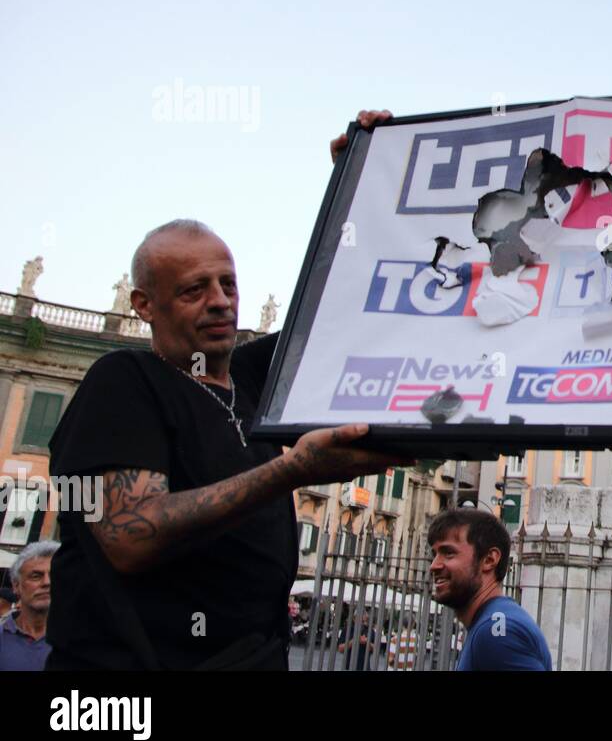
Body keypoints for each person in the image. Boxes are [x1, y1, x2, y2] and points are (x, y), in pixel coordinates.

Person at [46, 219, 412, 670]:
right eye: (193, 290)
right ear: (144, 304)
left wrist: (359, 190)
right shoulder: (124, 379)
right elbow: (130, 536)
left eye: (228, 285)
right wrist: (294, 470)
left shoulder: (253, 379)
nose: (220, 302)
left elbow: (345, 304)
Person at [427, 508, 551, 671]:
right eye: (434, 554)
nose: (434, 566)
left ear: (489, 559)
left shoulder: (496, 632)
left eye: (449, 553)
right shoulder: (491, 623)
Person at [0, 540, 57, 671]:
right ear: (16, 586)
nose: (47, 582)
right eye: (36, 576)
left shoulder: (82, 641)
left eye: (55, 575)